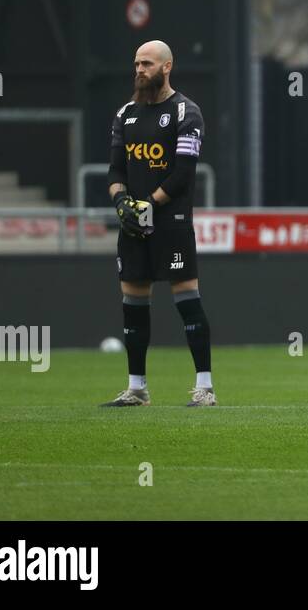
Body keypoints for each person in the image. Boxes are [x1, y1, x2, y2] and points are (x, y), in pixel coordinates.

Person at [103, 40, 215, 407]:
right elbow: (116, 170)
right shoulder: (125, 114)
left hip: (172, 222)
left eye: (147, 64)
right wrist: (122, 201)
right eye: (136, 63)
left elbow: (183, 175)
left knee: (187, 300)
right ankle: (137, 388)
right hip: (134, 225)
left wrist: (148, 204)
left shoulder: (187, 112)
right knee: (132, 303)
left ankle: (205, 388)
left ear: (167, 67)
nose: (139, 70)